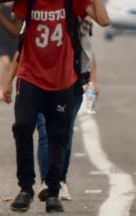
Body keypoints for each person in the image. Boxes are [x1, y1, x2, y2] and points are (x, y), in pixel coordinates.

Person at [0, 0, 110, 214]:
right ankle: (25, 187)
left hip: (63, 80)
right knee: (22, 128)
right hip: (30, 77)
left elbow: (103, 19)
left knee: (57, 136)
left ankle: (53, 189)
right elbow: (13, 30)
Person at [35, 19, 96, 202]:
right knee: (45, 132)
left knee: (64, 133)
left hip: (73, 81)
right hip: (39, 79)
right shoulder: (38, 11)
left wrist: (93, 80)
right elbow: (23, 49)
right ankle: (47, 181)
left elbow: (88, 50)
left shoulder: (81, 12)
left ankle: (60, 180)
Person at [0, 3, 20, 101]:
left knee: (11, 65)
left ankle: (7, 87)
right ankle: (1, 89)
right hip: (0, 39)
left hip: (13, 40)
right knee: (5, 61)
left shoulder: (17, 6)